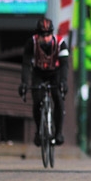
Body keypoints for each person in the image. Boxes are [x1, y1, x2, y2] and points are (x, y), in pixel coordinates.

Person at [19, 17, 69, 146]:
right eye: (42, 35)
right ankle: (38, 132)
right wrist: (24, 82)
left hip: (55, 73)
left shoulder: (61, 43)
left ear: (52, 33)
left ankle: (58, 133)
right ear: (38, 35)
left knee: (58, 97)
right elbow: (26, 64)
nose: (45, 38)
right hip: (39, 73)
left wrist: (63, 81)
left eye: (48, 35)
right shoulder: (32, 43)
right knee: (37, 100)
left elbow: (64, 65)